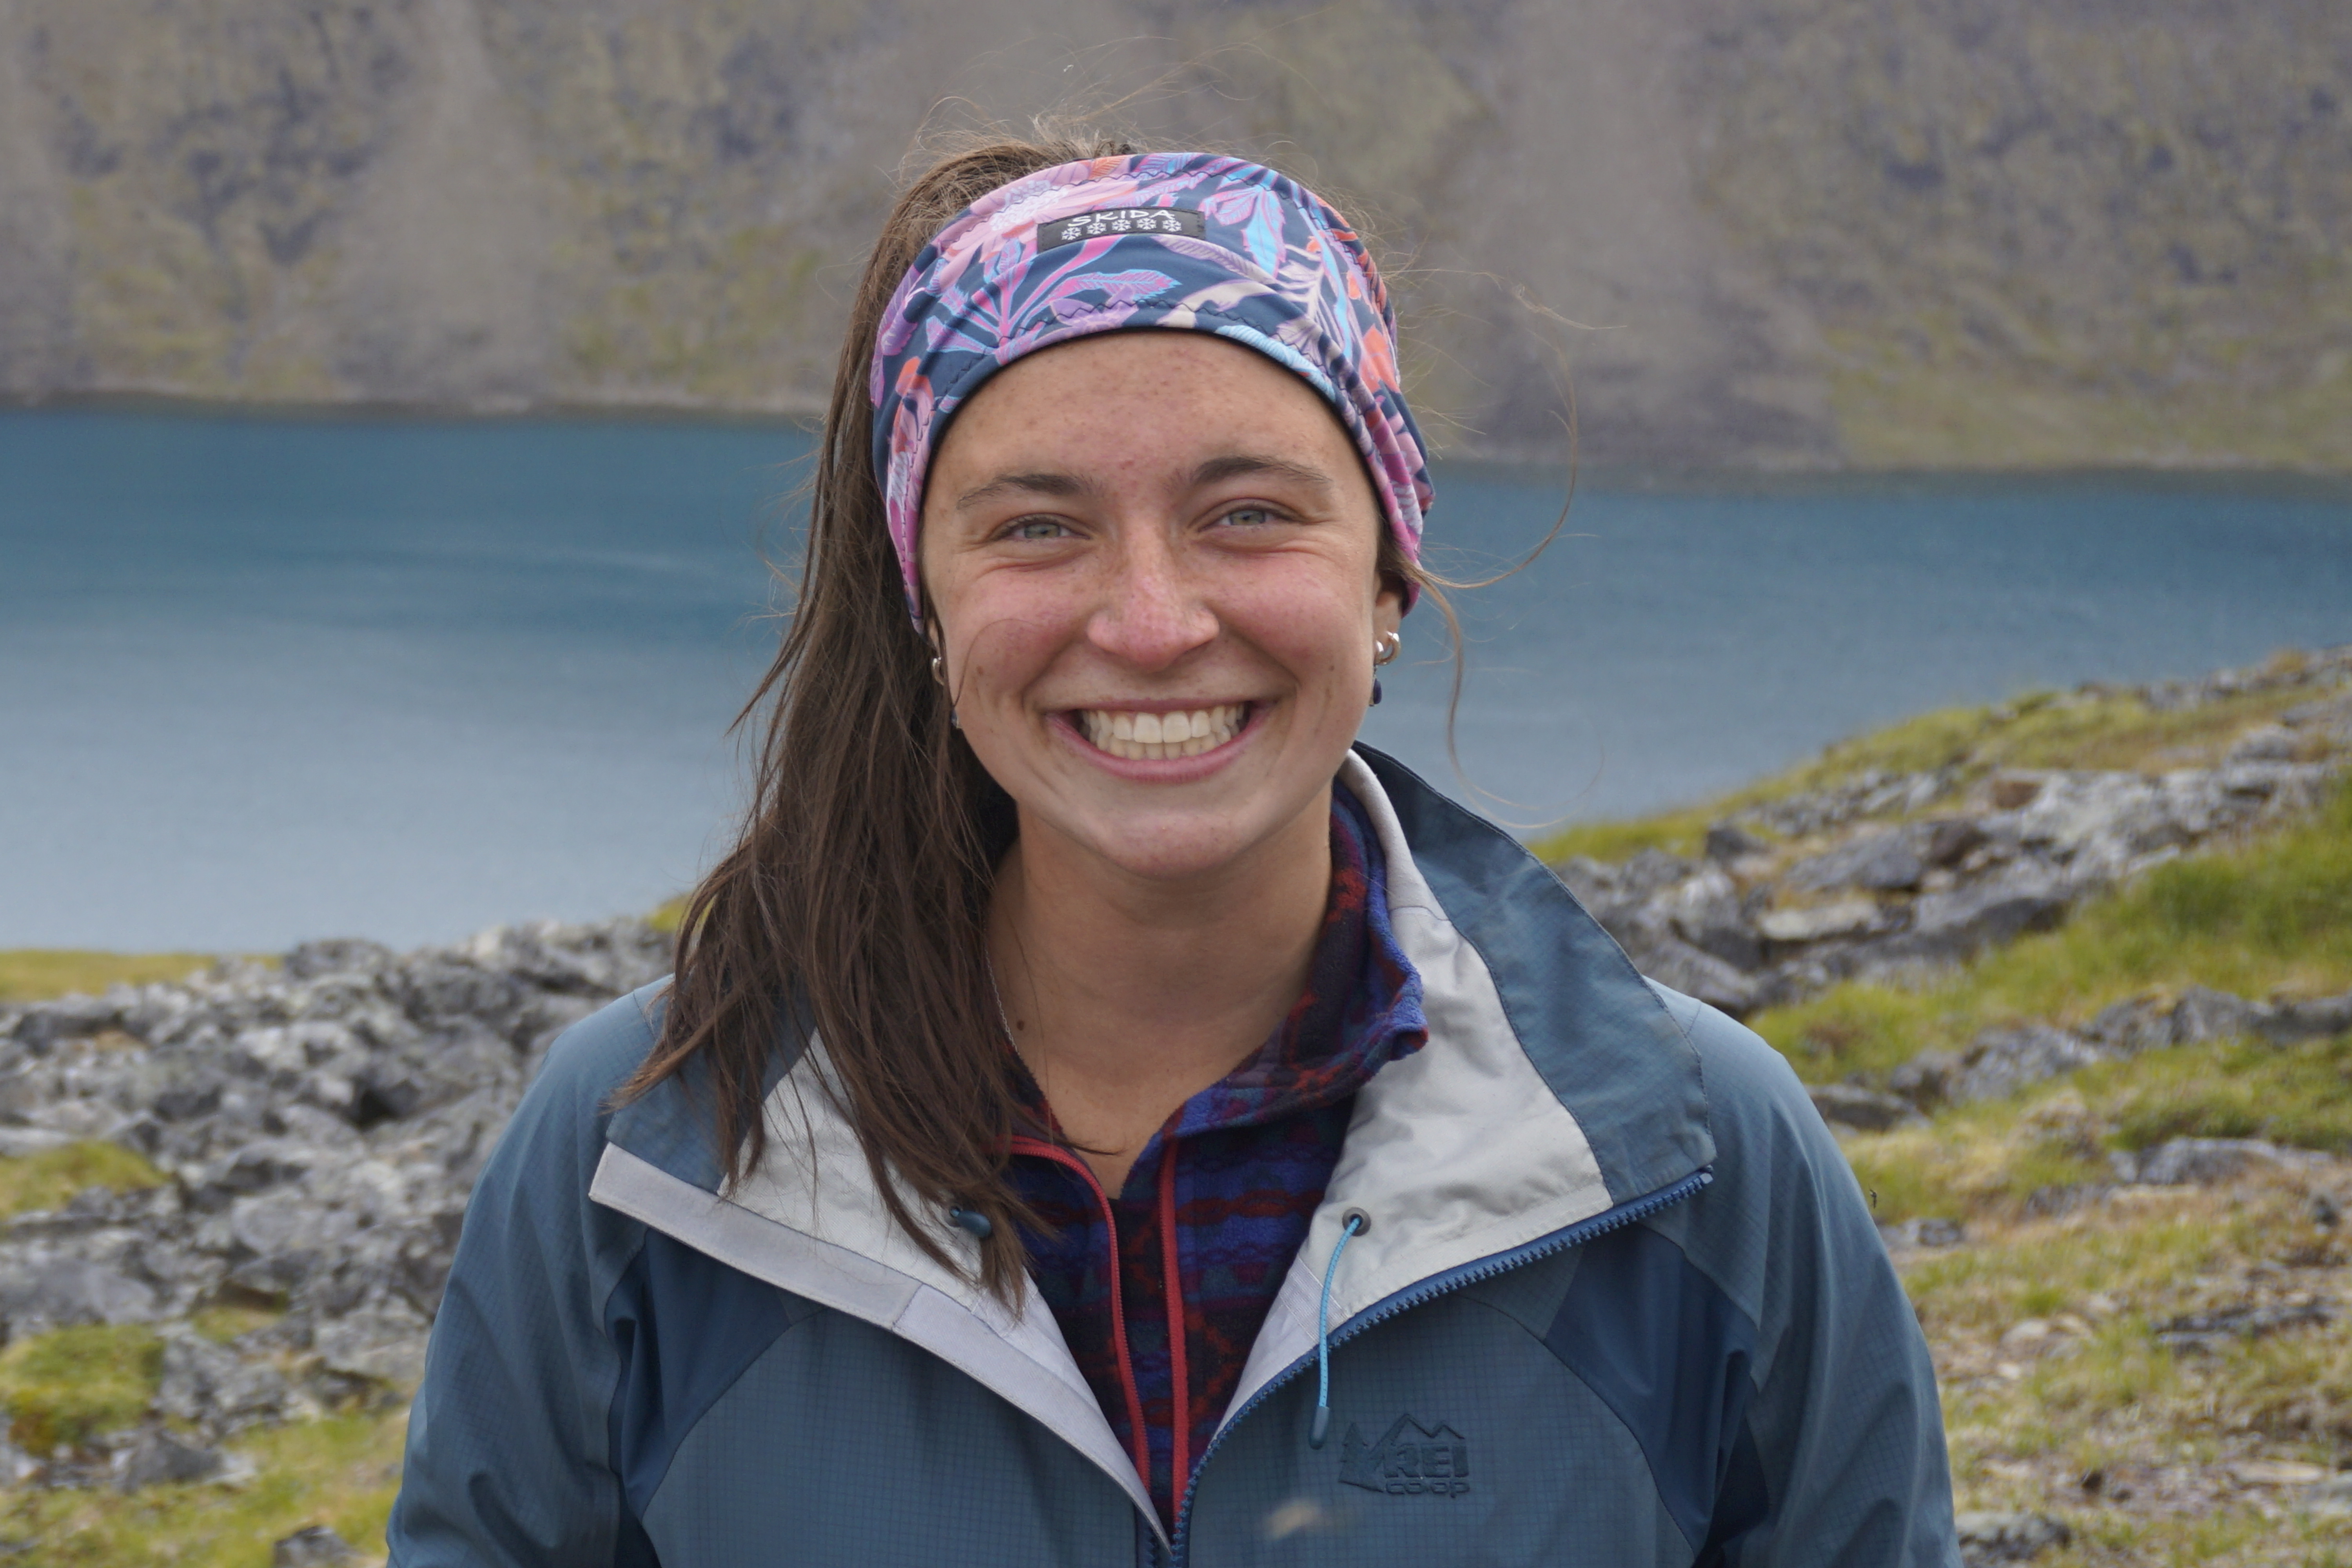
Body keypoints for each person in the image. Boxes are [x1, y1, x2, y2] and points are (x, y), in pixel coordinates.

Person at [387, 132, 1960, 1567]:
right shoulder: (644, 1156)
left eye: (1251, 512)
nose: (1150, 623)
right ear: (924, 604)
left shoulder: (1695, 1162)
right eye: (1035, 525)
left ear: (1388, 575)